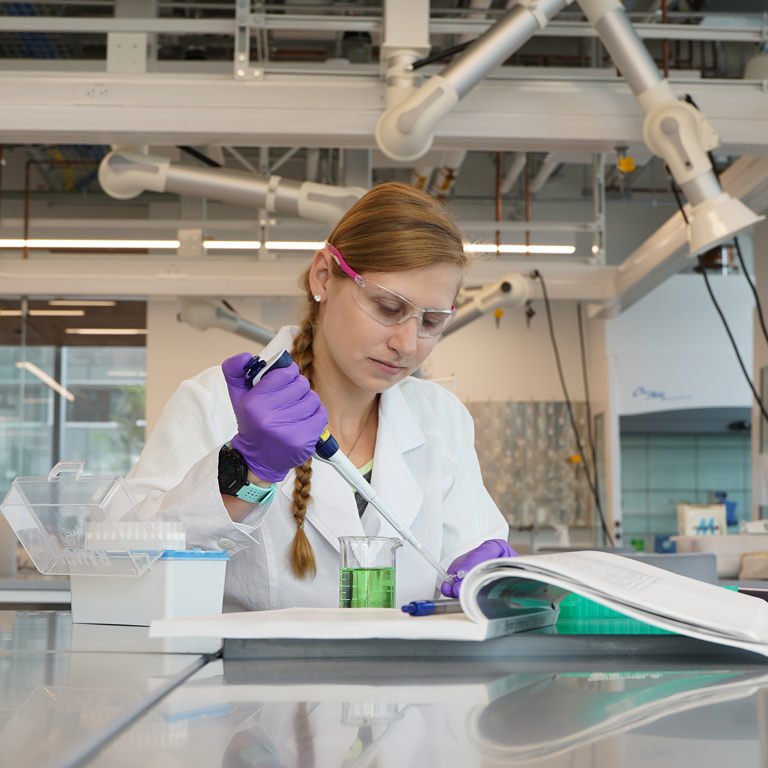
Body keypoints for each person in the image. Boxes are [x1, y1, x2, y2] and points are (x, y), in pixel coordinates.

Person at [127, 181, 515, 612]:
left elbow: (470, 560)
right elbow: (128, 562)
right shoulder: (212, 402)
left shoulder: (441, 419)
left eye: (432, 321)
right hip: (255, 677)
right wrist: (244, 473)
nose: (407, 344)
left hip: (410, 675)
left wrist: (490, 578)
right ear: (324, 276)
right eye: (388, 308)